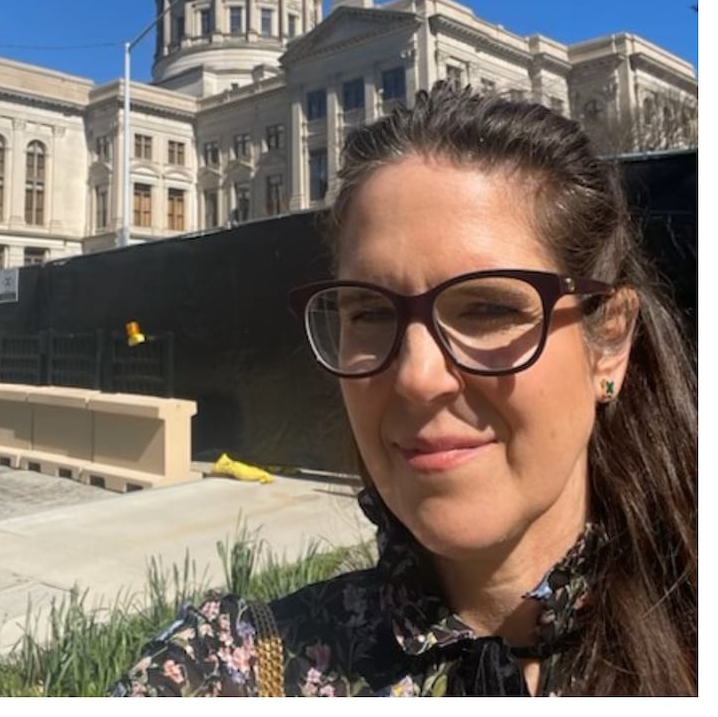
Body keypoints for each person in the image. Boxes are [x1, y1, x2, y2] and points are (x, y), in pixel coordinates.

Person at [114, 84, 696, 696]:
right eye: (370, 314)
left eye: (488, 309)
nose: (417, 377)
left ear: (609, 341)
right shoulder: (228, 670)